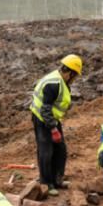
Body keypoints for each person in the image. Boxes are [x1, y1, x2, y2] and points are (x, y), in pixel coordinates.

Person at [29, 54, 83, 196]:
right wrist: (53, 129)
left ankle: (57, 179)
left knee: (60, 150)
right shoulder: (53, 84)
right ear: (70, 73)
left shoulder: (62, 81)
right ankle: (46, 182)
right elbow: (45, 109)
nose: (75, 79)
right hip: (42, 119)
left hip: (52, 118)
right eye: (75, 75)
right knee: (46, 151)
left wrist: (54, 124)